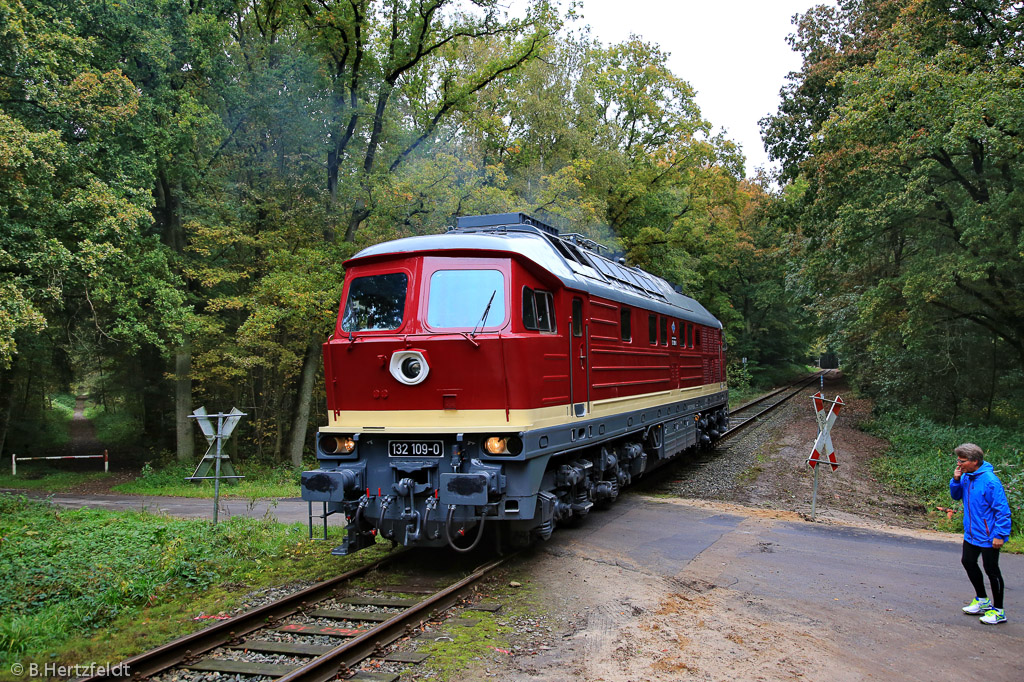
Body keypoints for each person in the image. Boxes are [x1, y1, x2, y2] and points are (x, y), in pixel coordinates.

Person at [950, 443, 1012, 624]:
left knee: (991, 570)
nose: (959, 464)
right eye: (958, 460)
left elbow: (1002, 510)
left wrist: (1000, 534)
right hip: (972, 532)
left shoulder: (990, 481)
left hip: (989, 534)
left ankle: (999, 611)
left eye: (962, 461)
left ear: (974, 461)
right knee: (968, 562)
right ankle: (983, 600)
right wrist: (955, 480)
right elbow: (956, 496)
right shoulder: (967, 476)